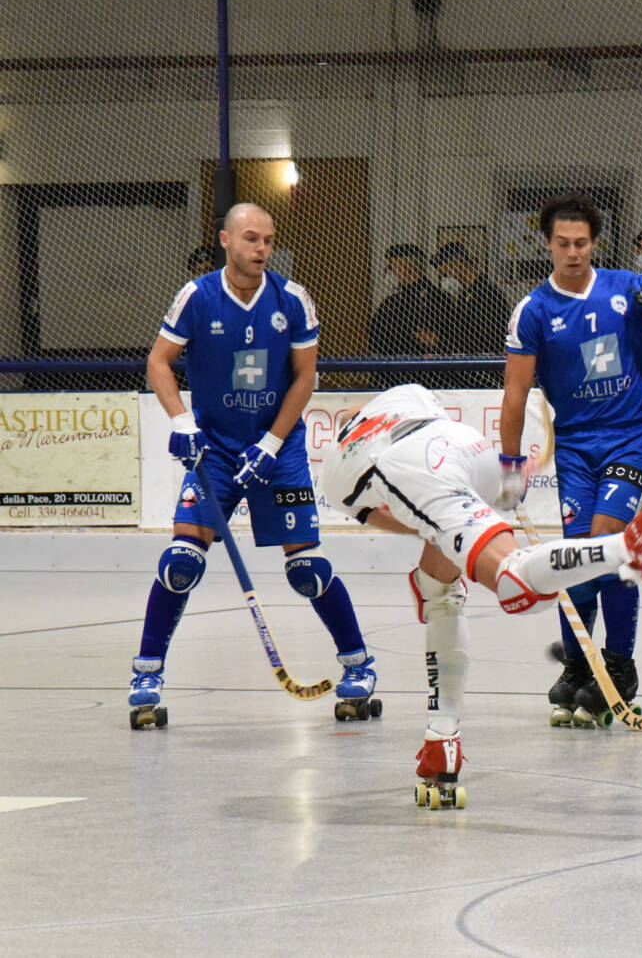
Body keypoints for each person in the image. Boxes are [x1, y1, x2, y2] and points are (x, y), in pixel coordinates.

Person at [316, 384, 642, 805]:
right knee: (437, 589)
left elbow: (411, 523)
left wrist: (452, 530)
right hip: (469, 452)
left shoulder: (337, 476)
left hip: (416, 472)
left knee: (516, 584)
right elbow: (432, 526)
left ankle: (627, 549)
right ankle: (441, 738)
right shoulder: (406, 395)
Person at [129, 203, 373, 727]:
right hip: (214, 451)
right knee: (181, 562)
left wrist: (271, 443)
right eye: (251, 238)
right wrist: (182, 422)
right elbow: (158, 362)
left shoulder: (292, 299)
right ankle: (146, 675)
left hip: (278, 452)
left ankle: (359, 665)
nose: (261, 248)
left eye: (268, 240)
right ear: (226, 240)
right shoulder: (197, 296)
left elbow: (304, 377)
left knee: (306, 569)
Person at [499, 192, 642, 725]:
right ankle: (577, 664)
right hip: (575, 446)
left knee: (606, 546)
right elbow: (515, 394)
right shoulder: (533, 310)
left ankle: (619, 667)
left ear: (595, 243)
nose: (572, 252)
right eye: (562, 243)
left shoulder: (625, 289)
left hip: (631, 437)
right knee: (574, 558)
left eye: (581, 243)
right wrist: (510, 466)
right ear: (547, 245)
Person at [367, 243, 450, 386]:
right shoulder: (398, 298)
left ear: (404, 267)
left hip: (414, 376)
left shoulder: (428, 299)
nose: (389, 272)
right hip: (400, 373)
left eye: (391, 267)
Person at [430, 241, 510, 386]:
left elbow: (483, 335)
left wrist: (441, 343)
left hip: (483, 367)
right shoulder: (465, 294)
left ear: (457, 264)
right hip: (469, 367)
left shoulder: (486, 293)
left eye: (447, 271)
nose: (449, 276)